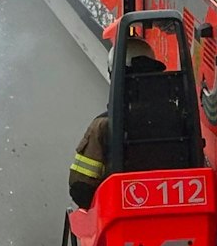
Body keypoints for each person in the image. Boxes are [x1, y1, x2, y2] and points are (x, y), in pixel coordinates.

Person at [68, 37, 164, 208]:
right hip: (173, 214)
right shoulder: (180, 118)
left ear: (115, 76)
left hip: (120, 221)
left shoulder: (103, 125)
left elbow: (80, 188)